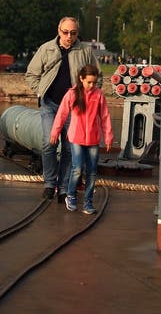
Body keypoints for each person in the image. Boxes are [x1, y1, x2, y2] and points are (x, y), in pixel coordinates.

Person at [25, 18, 101, 202]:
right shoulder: (46, 49)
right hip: (50, 104)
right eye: (66, 32)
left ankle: (64, 187)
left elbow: (97, 76)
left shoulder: (85, 51)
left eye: (73, 33)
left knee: (69, 147)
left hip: (74, 108)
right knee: (48, 142)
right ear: (59, 30)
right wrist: (40, 91)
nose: (69, 37)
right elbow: (31, 74)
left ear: (77, 33)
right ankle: (50, 184)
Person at [50, 64, 114, 215]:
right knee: (77, 168)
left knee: (92, 171)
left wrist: (108, 136)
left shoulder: (98, 95)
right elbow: (61, 114)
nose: (92, 85)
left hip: (93, 138)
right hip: (76, 137)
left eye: (94, 82)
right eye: (89, 82)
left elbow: (105, 117)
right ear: (81, 79)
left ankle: (88, 201)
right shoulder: (72, 94)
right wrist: (55, 132)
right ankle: (71, 195)